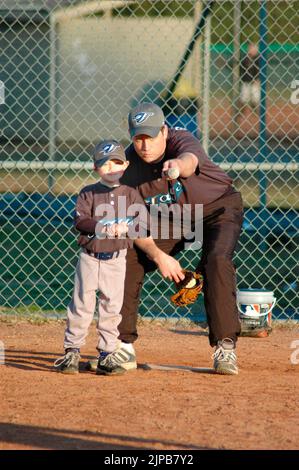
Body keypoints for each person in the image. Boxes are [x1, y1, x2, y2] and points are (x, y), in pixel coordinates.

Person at [113, 102, 243, 376]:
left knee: (216, 261)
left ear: (164, 130)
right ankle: (122, 344)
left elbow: (190, 160)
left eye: (151, 136)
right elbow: (134, 225)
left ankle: (225, 346)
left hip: (217, 208)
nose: (145, 145)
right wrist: (160, 257)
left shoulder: (181, 140)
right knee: (128, 255)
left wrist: (177, 165)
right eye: (138, 138)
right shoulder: (128, 170)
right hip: (172, 219)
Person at [54, 139, 183, 375]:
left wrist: (129, 226)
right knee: (82, 306)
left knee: (112, 308)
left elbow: (142, 225)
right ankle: (72, 351)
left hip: (116, 260)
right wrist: (103, 226)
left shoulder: (131, 195)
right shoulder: (88, 193)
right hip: (90, 258)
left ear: (125, 165)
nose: (111, 168)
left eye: (116, 162)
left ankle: (107, 354)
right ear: (95, 168)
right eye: (105, 164)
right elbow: (80, 221)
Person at [237, 43, 261, 121]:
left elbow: (260, 71)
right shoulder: (245, 59)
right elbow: (240, 69)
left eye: (254, 49)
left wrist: (258, 80)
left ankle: (257, 112)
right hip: (246, 82)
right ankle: (239, 113)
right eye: (251, 48)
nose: (253, 50)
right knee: (243, 98)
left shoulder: (258, 59)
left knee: (256, 99)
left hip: (255, 82)